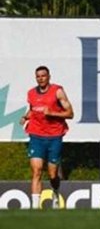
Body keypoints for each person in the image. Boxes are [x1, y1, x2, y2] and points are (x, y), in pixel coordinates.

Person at [20, 66, 74, 209]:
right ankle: (35, 208)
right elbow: (33, 109)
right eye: (38, 76)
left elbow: (70, 113)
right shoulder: (31, 93)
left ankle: (55, 192)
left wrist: (52, 113)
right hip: (36, 135)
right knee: (36, 170)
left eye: (43, 76)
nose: (41, 78)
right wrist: (25, 117)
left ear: (49, 76)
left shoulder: (57, 92)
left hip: (54, 136)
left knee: (52, 174)